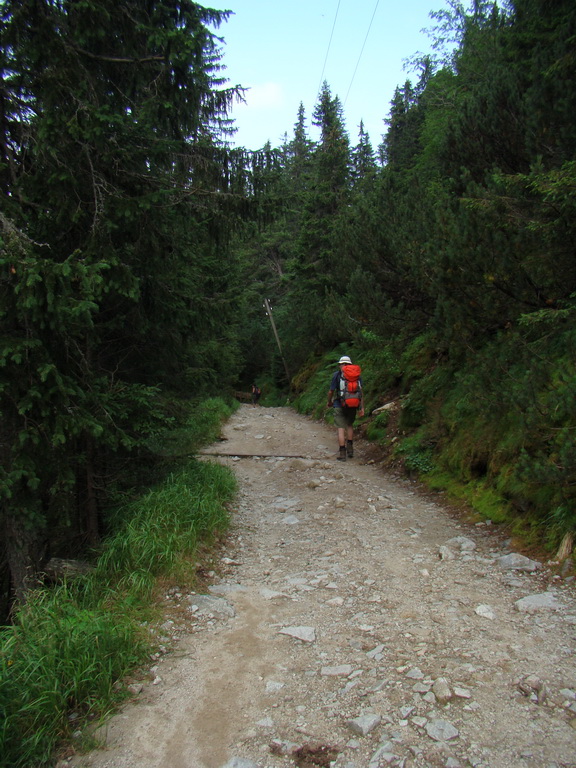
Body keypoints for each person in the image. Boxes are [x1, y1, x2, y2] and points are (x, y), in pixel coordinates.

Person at [326, 355, 364, 461]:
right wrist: (361, 407)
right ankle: (350, 449)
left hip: (339, 403)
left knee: (341, 428)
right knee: (350, 425)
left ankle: (342, 453)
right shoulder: (356, 376)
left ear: (341, 364)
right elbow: (361, 392)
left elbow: (331, 391)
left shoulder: (337, 375)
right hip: (353, 404)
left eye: (340, 364)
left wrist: (329, 401)